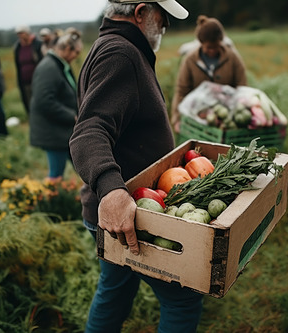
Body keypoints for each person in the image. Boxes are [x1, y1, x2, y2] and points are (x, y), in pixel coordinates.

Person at [69, 1, 204, 332]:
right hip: (128, 214)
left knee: (115, 291)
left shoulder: (116, 46)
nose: (166, 25)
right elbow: (88, 131)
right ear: (141, 12)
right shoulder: (121, 54)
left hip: (124, 214)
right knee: (182, 299)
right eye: (163, 16)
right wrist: (112, 189)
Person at [170, 15, 248, 133]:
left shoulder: (232, 58)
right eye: (208, 47)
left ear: (221, 41)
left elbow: (242, 86)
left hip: (226, 119)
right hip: (197, 117)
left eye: (215, 47)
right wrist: (176, 119)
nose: (212, 51)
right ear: (200, 43)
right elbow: (181, 90)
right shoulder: (190, 60)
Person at [29, 31, 83, 181]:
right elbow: (44, 100)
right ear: (66, 49)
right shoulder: (48, 68)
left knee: (81, 167)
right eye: (76, 52)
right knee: (56, 173)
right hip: (53, 131)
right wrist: (71, 115)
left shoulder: (59, 65)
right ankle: (50, 201)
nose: (76, 56)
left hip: (62, 130)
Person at [13, 25, 43, 115]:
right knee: (29, 102)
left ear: (27, 33)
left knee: (40, 101)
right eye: (18, 34)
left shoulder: (37, 44)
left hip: (37, 79)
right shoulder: (18, 47)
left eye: (22, 33)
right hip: (25, 81)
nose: (20, 36)